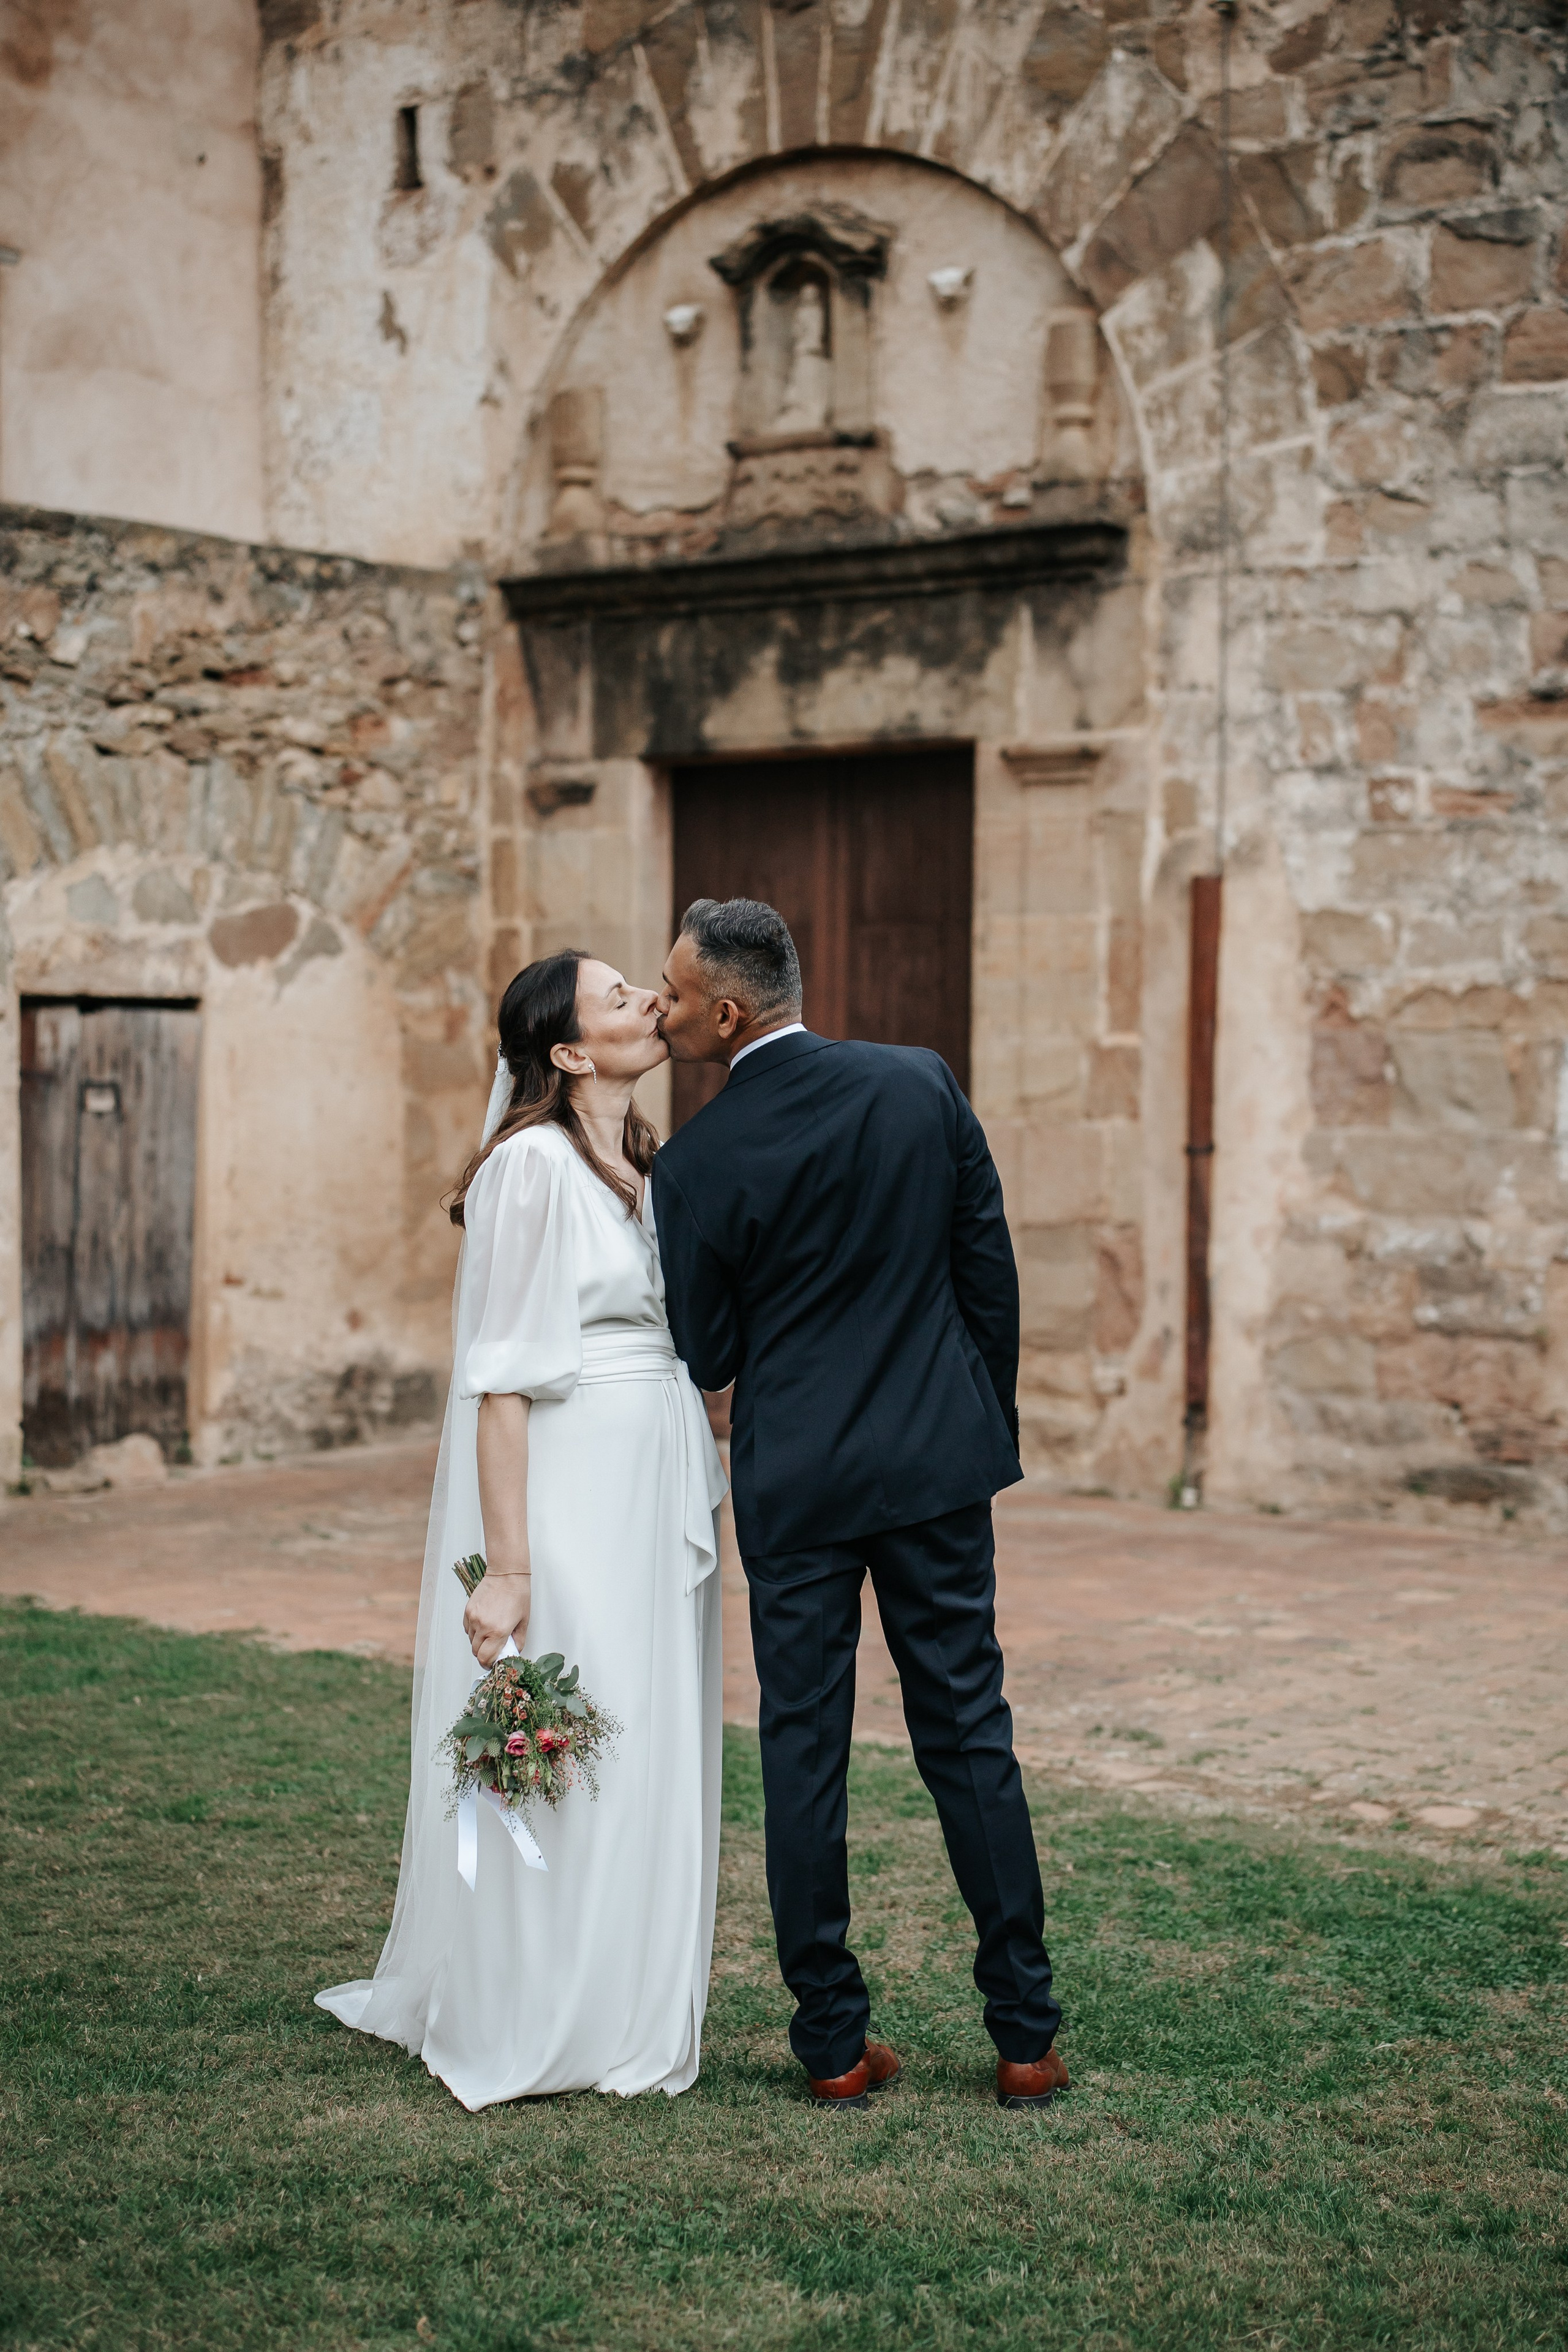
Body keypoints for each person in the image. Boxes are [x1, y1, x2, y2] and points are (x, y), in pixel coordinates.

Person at [654, 897, 1066, 2113]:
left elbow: (707, 1344)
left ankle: (832, 2044)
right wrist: (967, 1421)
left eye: (674, 994)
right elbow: (985, 1271)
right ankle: (1023, 2035)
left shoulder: (696, 1164)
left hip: (797, 1478)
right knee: (967, 1731)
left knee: (803, 1747)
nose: (664, 1010)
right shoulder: (919, 1084)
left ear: (726, 1014)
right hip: (937, 1464)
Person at [317, 952, 726, 2109]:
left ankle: (625, 1997)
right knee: (578, 1724)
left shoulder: (643, 1161)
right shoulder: (533, 1169)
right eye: (617, 998)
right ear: (566, 1052)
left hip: (654, 1471)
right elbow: (502, 1384)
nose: (650, 1001)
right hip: (570, 1481)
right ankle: (542, 2008)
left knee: (642, 1729)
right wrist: (510, 1568)